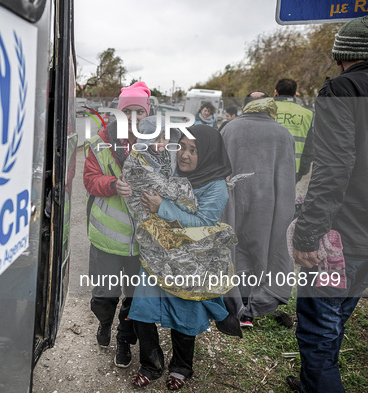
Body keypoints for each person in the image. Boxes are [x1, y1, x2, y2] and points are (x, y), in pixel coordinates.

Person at [287, 16, 368, 393]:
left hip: (342, 237)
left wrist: (306, 233)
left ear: (341, 57)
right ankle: (310, 385)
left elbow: (334, 167)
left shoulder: (343, 89)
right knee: (338, 317)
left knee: (319, 328)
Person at [126, 122, 236, 390]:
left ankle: (182, 366)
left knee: (185, 318)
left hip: (190, 265)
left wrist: (162, 206)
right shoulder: (173, 172)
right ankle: (151, 364)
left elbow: (202, 224)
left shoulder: (216, 186)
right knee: (142, 311)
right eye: (182, 148)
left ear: (209, 153)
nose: (184, 155)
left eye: (194, 150)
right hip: (158, 258)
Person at [83, 81, 150, 368]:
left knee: (134, 299)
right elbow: (88, 179)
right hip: (107, 240)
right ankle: (104, 323)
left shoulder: (159, 144)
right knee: (104, 295)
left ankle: (124, 340)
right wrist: (112, 184)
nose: (133, 119)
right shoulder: (100, 142)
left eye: (140, 112)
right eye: (128, 112)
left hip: (143, 243)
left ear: (148, 115)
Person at [220, 93, 296, 327]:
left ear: (246, 106)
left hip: (233, 198)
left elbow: (217, 167)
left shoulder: (229, 129)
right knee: (264, 251)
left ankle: (237, 304)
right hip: (268, 204)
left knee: (235, 248)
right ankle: (252, 308)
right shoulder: (283, 134)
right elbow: (287, 177)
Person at [274, 78, 314, 183]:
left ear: (275, 92)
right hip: (294, 169)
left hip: (268, 168)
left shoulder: (267, 110)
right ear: (295, 94)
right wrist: (302, 170)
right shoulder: (307, 114)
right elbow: (309, 146)